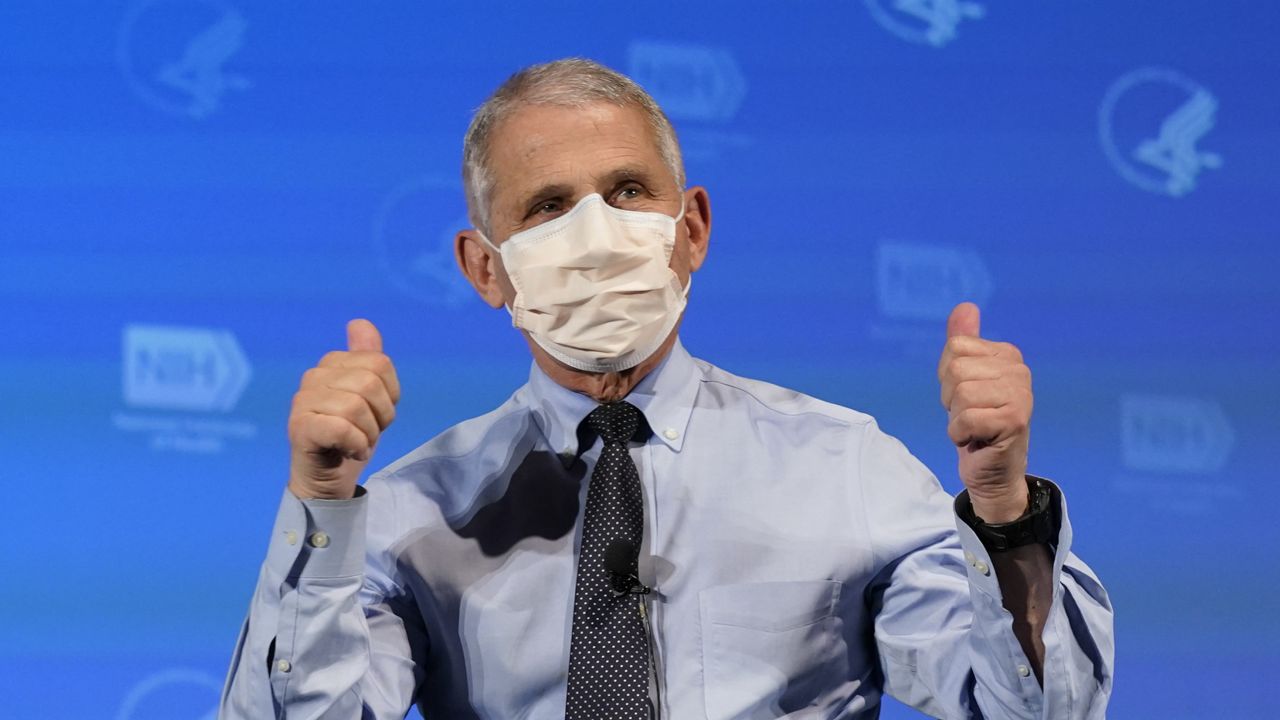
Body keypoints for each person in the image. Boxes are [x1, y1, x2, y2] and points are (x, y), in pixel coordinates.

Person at [218, 58, 1113, 719]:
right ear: (484, 270)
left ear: (691, 230)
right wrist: (323, 506)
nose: (597, 233)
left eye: (629, 190)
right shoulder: (418, 509)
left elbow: (1035, 712)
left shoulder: (848, 467)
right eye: (548, 207)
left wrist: (1002, 513)